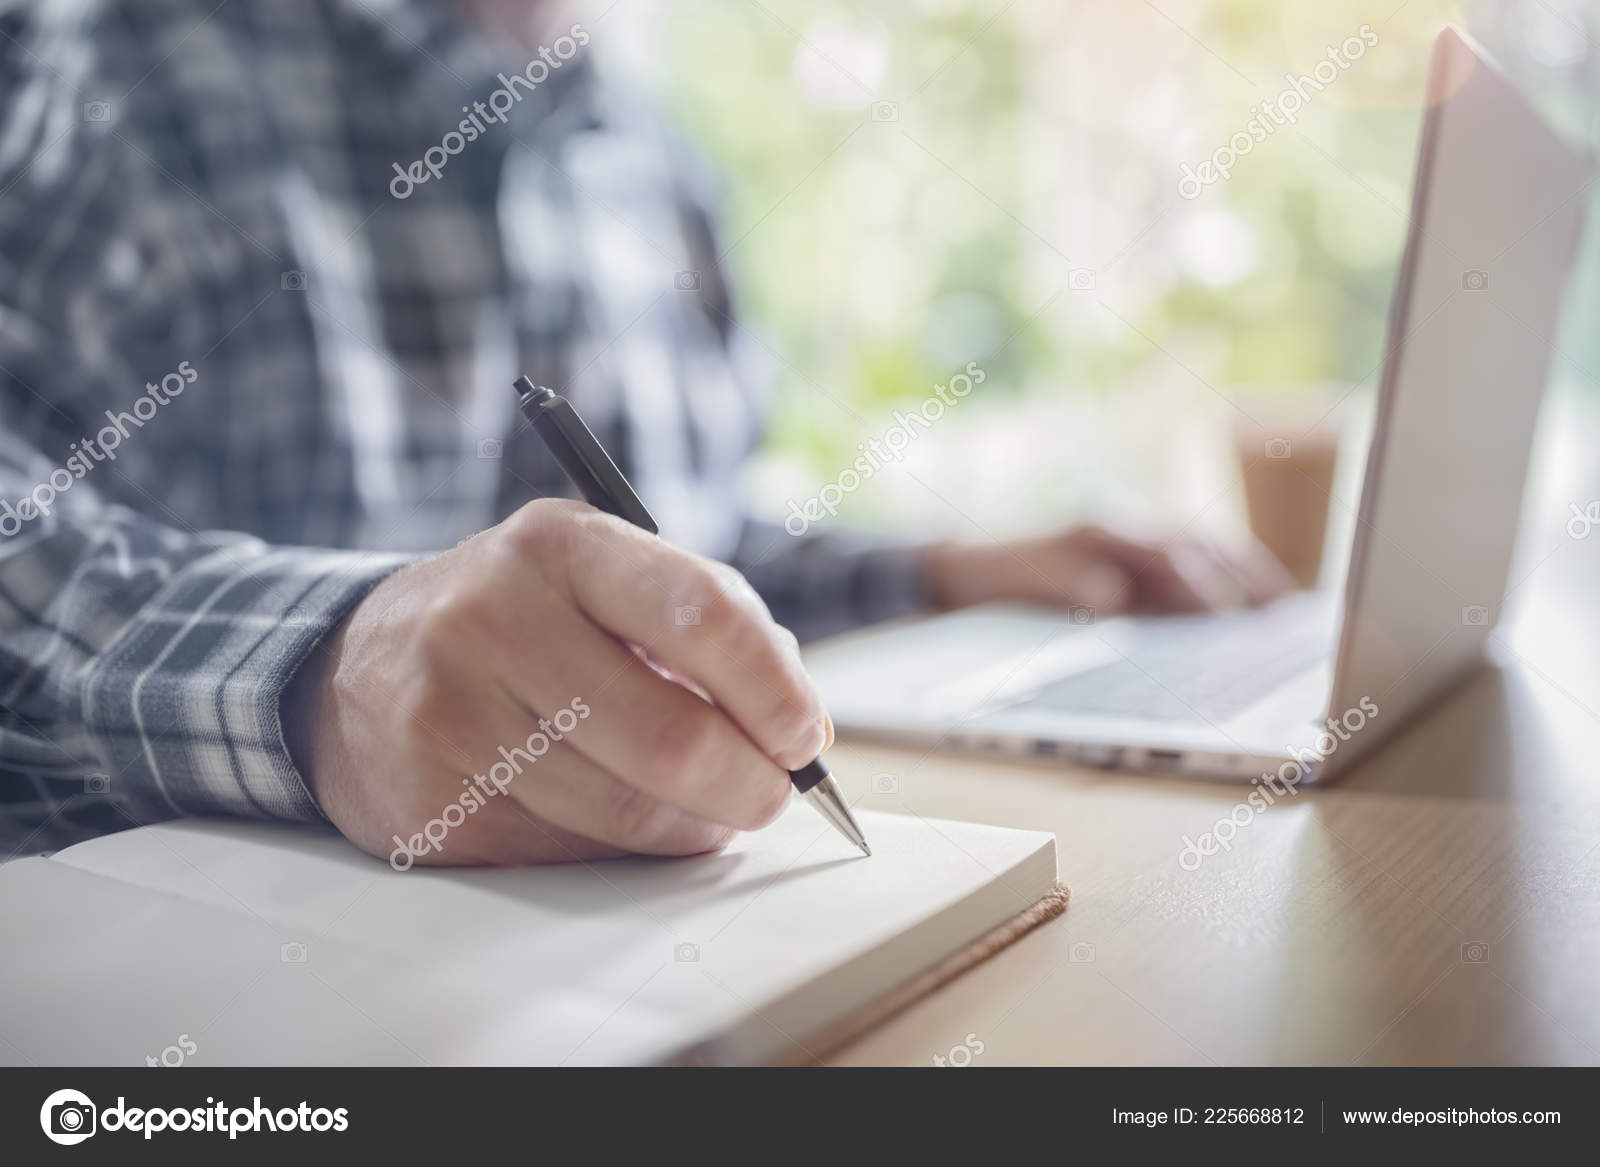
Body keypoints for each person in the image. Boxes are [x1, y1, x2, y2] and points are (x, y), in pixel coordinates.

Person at [0, 0, 1289, 863]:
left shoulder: (654, 159)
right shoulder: (96, 72)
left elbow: (675, 546)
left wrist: (939, 572)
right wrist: (327, 675)